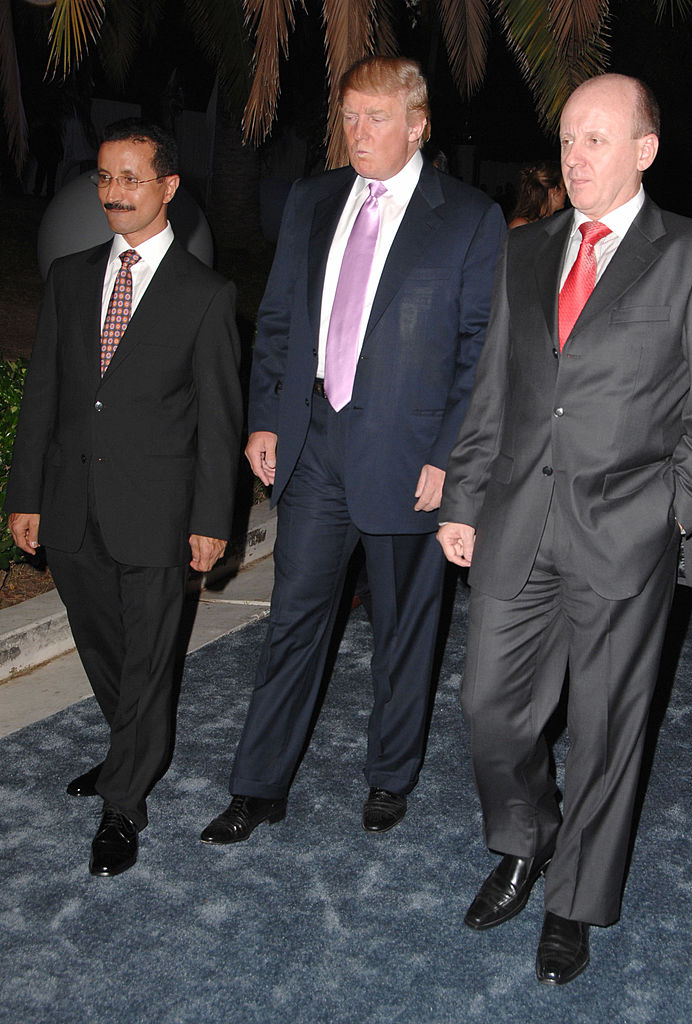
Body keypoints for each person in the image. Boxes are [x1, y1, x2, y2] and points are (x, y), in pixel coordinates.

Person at [437, 74, 692, 985]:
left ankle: (574, 901)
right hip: (517, 520)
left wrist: (670, 515)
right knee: (488, 706)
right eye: (568, 139)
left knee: (609, 730)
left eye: (597, 140)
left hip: (627, 532)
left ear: (643, 151)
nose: (574, 157)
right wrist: (463, 498)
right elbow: (495, 389)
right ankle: (526, 837)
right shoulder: (526, 249)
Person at [200, 56, 505, 845]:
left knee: (407, 629)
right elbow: (276, 321)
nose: (358, 133)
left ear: (417, 124)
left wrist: (450, 455)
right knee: (293, 620)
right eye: (349, 116)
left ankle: (388, 776)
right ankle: (258, 785)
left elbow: (481, 352)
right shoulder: (312, 198)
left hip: (412, 462)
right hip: (315, 444)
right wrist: (267, 417)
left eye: (376, 118)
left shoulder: (469, 216)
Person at [5, 119, 242, 877]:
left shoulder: (206, 295)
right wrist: (27, 494)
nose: (114, 192)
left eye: (130, 178)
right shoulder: (70, 277)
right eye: (105, 177)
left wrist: (212, 519)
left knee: (147, 661)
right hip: (73, 503)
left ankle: (124, 803)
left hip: (159, 509)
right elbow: (43, 395)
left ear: (168, 187)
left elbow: (218, 416)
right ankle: (125, 754)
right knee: (101, 645)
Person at [507, 160, 566, 229]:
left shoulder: (553, 223)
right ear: (554, 190)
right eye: (564, 187)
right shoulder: (522, 225)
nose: (566, 193)